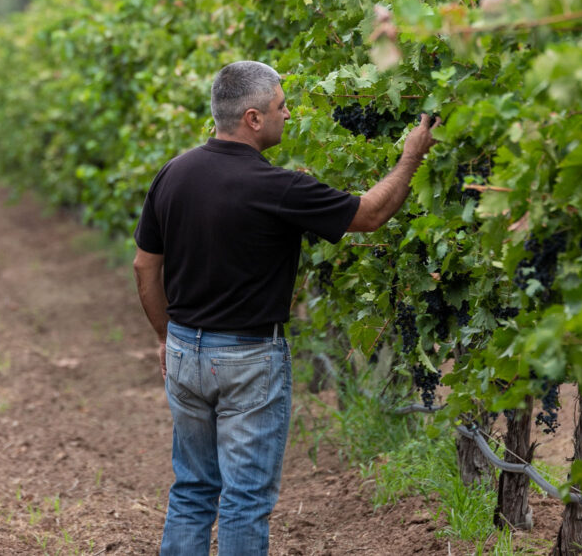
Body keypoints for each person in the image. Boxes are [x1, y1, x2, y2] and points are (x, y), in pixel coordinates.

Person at [132, 60, 438, 555]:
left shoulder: (174, 174)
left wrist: (167, 337)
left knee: (191, 491)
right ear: (253, 118)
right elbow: (372, 213)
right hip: (249, 359)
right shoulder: (278, 188)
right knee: (244, 500)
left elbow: (145, 268)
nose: (288, 114)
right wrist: (410, 158)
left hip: (186, 351)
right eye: (281, 106)